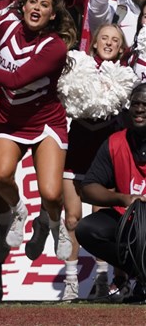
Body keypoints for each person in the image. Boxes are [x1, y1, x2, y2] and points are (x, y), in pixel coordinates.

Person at [0, 0, 77, 264]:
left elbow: (14, 80)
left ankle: (50, 223)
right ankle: (17, 212)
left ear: (52, 16)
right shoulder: (5, 29)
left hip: (45, 122)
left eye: (44, 5)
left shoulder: (55, 47)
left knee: (51, 193)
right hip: (8, 120)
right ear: (23, 6)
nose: (36, 8)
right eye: (33, 2)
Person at [27, 23, 128, 302]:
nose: (108, 43)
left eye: (115, 40)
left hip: (107, 150)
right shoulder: (77, 64)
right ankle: (71, 282)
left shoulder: (125, 75)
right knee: (72, 217)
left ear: (121, 48)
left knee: (103, 221)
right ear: (94, 43)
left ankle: (103, 280)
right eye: (104, 38)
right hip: (79, 145)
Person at [76, 83, 146, 298]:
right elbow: (88, 187)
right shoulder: (116, 142)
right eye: (135, 103)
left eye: (145, 104)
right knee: (87, 229)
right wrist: (123, 198)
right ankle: (142, 275)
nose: (140, 109)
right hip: (130, 217)